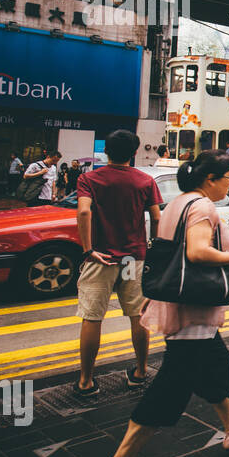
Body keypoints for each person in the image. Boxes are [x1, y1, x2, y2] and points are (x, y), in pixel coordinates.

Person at [92, 150, 229, 457]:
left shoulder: (179, 203)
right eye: (228, 178)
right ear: (210, 180)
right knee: (171, 388)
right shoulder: (202, 206)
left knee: (216, 365)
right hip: (193, 308)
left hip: (182, 302)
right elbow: (197, 252)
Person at [75, 130, 163, 396]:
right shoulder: (144, 181)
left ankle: (86, 381)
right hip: (133, 257)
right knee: (137, 316)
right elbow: (157, 217)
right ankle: (140, 371)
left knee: (92, 318)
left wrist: (88, 249)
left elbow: (82, 211)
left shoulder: (89, 179)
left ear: (106, 152)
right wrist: (153, 245)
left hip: (101, 257)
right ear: (134, 153)